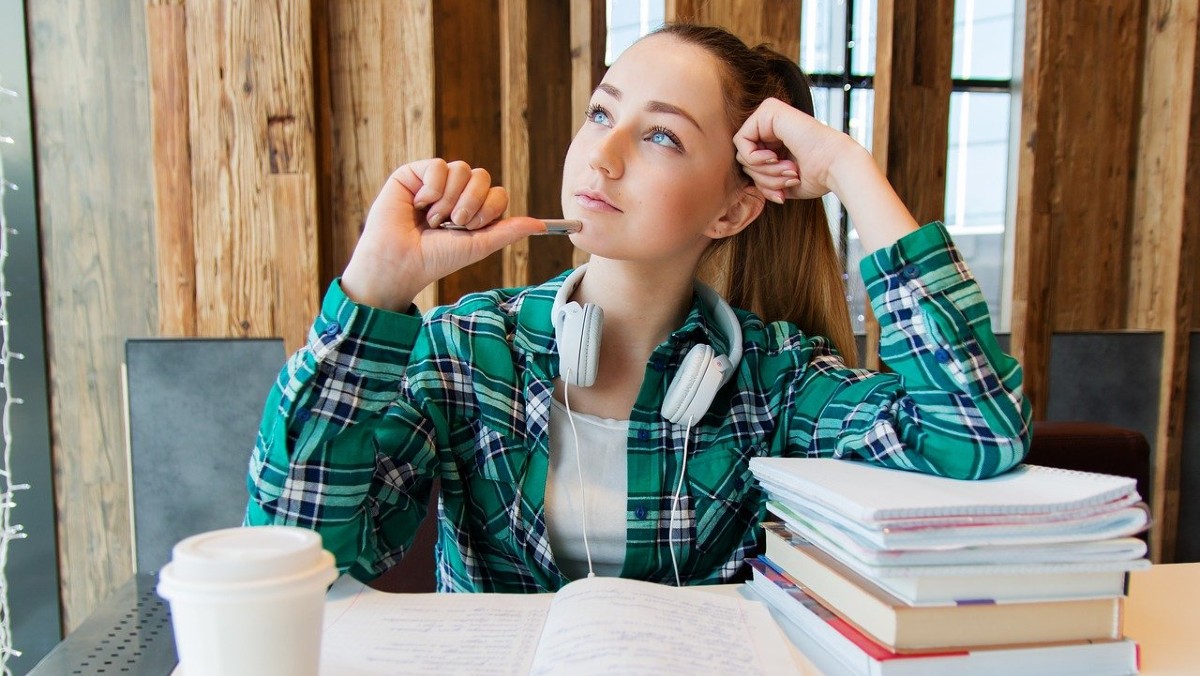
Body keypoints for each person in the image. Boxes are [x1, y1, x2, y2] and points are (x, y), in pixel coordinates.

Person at [245, 23, 1031, 591]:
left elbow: (977, 430)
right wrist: (375, 288)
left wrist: (852, 171)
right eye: (600, 114)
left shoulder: (778, 380)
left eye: (661, 137)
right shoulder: (465, 347)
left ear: (731, 211)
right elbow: (297, 546)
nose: (604, 154)